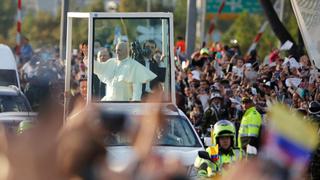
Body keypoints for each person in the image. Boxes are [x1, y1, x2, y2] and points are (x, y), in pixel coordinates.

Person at [90, 41, 157, 101]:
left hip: (124, 103)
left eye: (119, 50)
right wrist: (88, 57)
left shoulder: (133, 65)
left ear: (126, 51)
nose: (116, 52)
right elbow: (99, 68)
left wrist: (135, 103)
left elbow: (137, 89)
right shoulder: (111, 62)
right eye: (116, 50)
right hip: (109, 102)